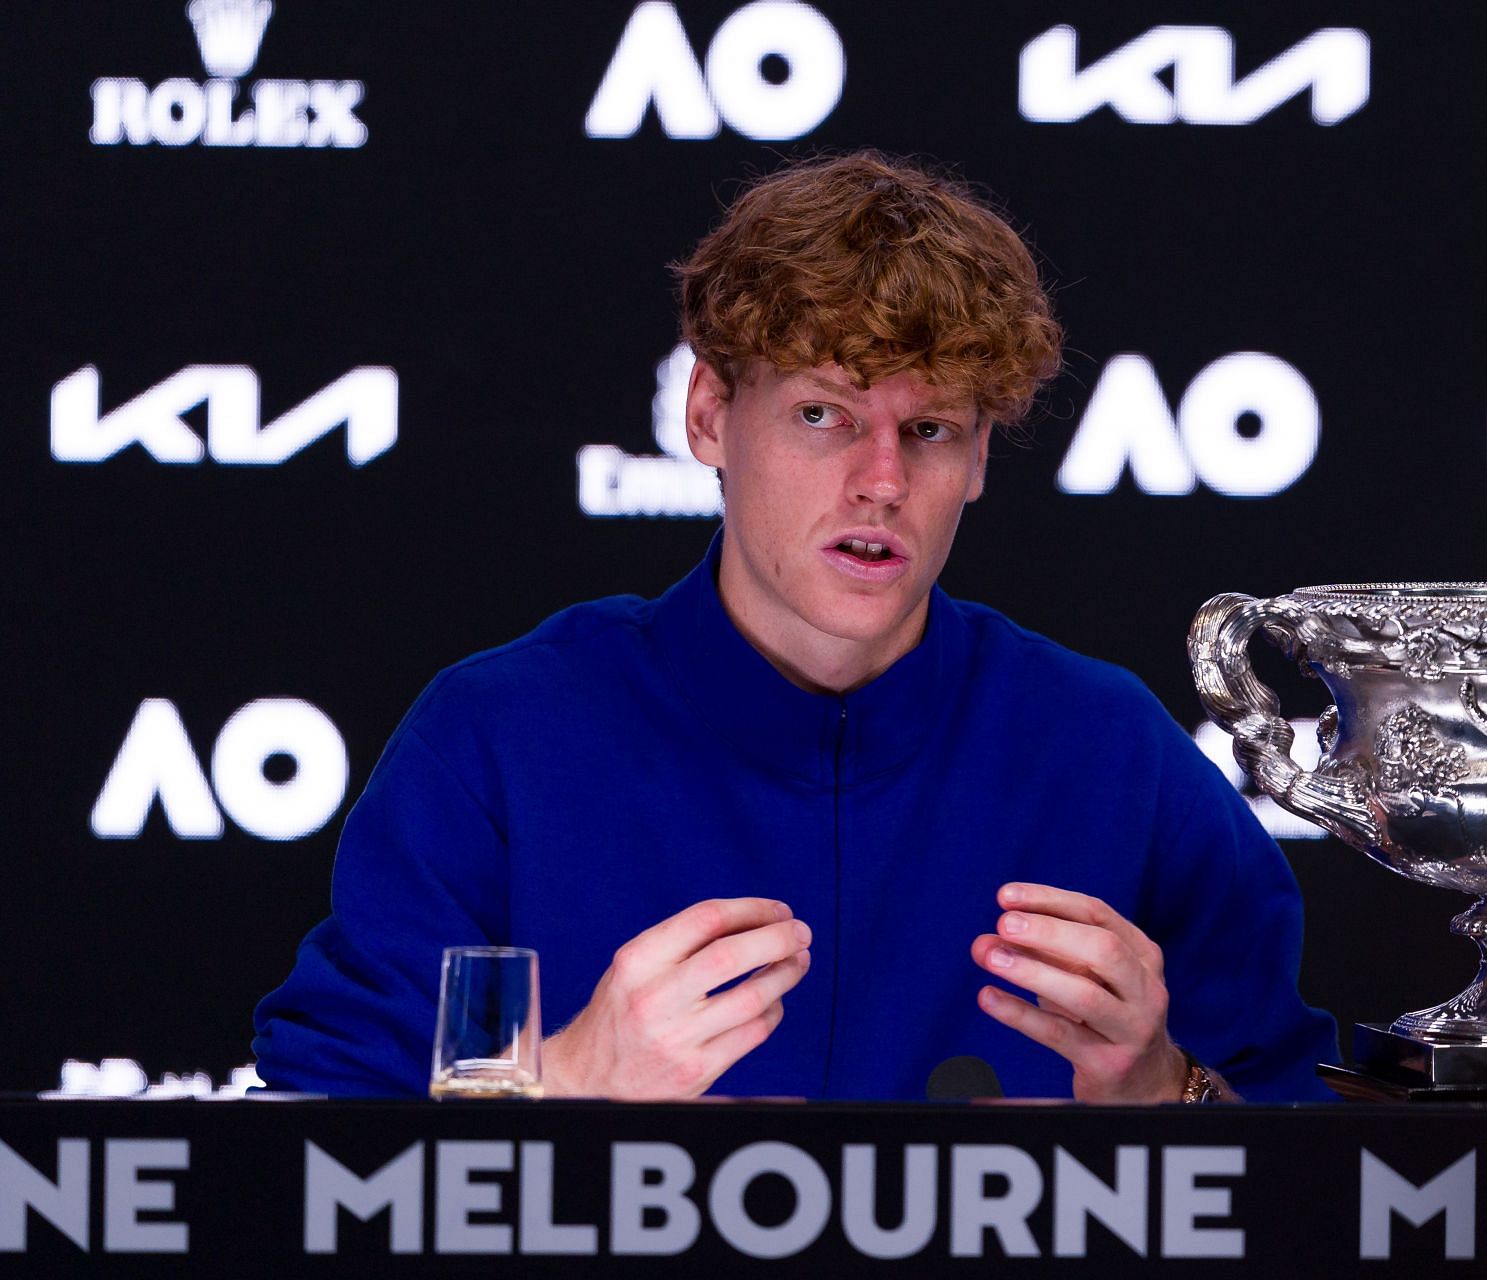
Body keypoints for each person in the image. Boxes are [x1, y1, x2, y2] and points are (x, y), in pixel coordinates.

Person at [253, 151, 1337, 1103]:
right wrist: (564, 1078)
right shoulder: (502, 738)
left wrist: (1164, 1093)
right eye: (822, 413)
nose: (880, 481)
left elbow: (1315, 1146)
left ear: (978, 461)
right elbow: (327, 1135)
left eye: (929, 428)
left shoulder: (1107, 750)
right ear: (712, 415)